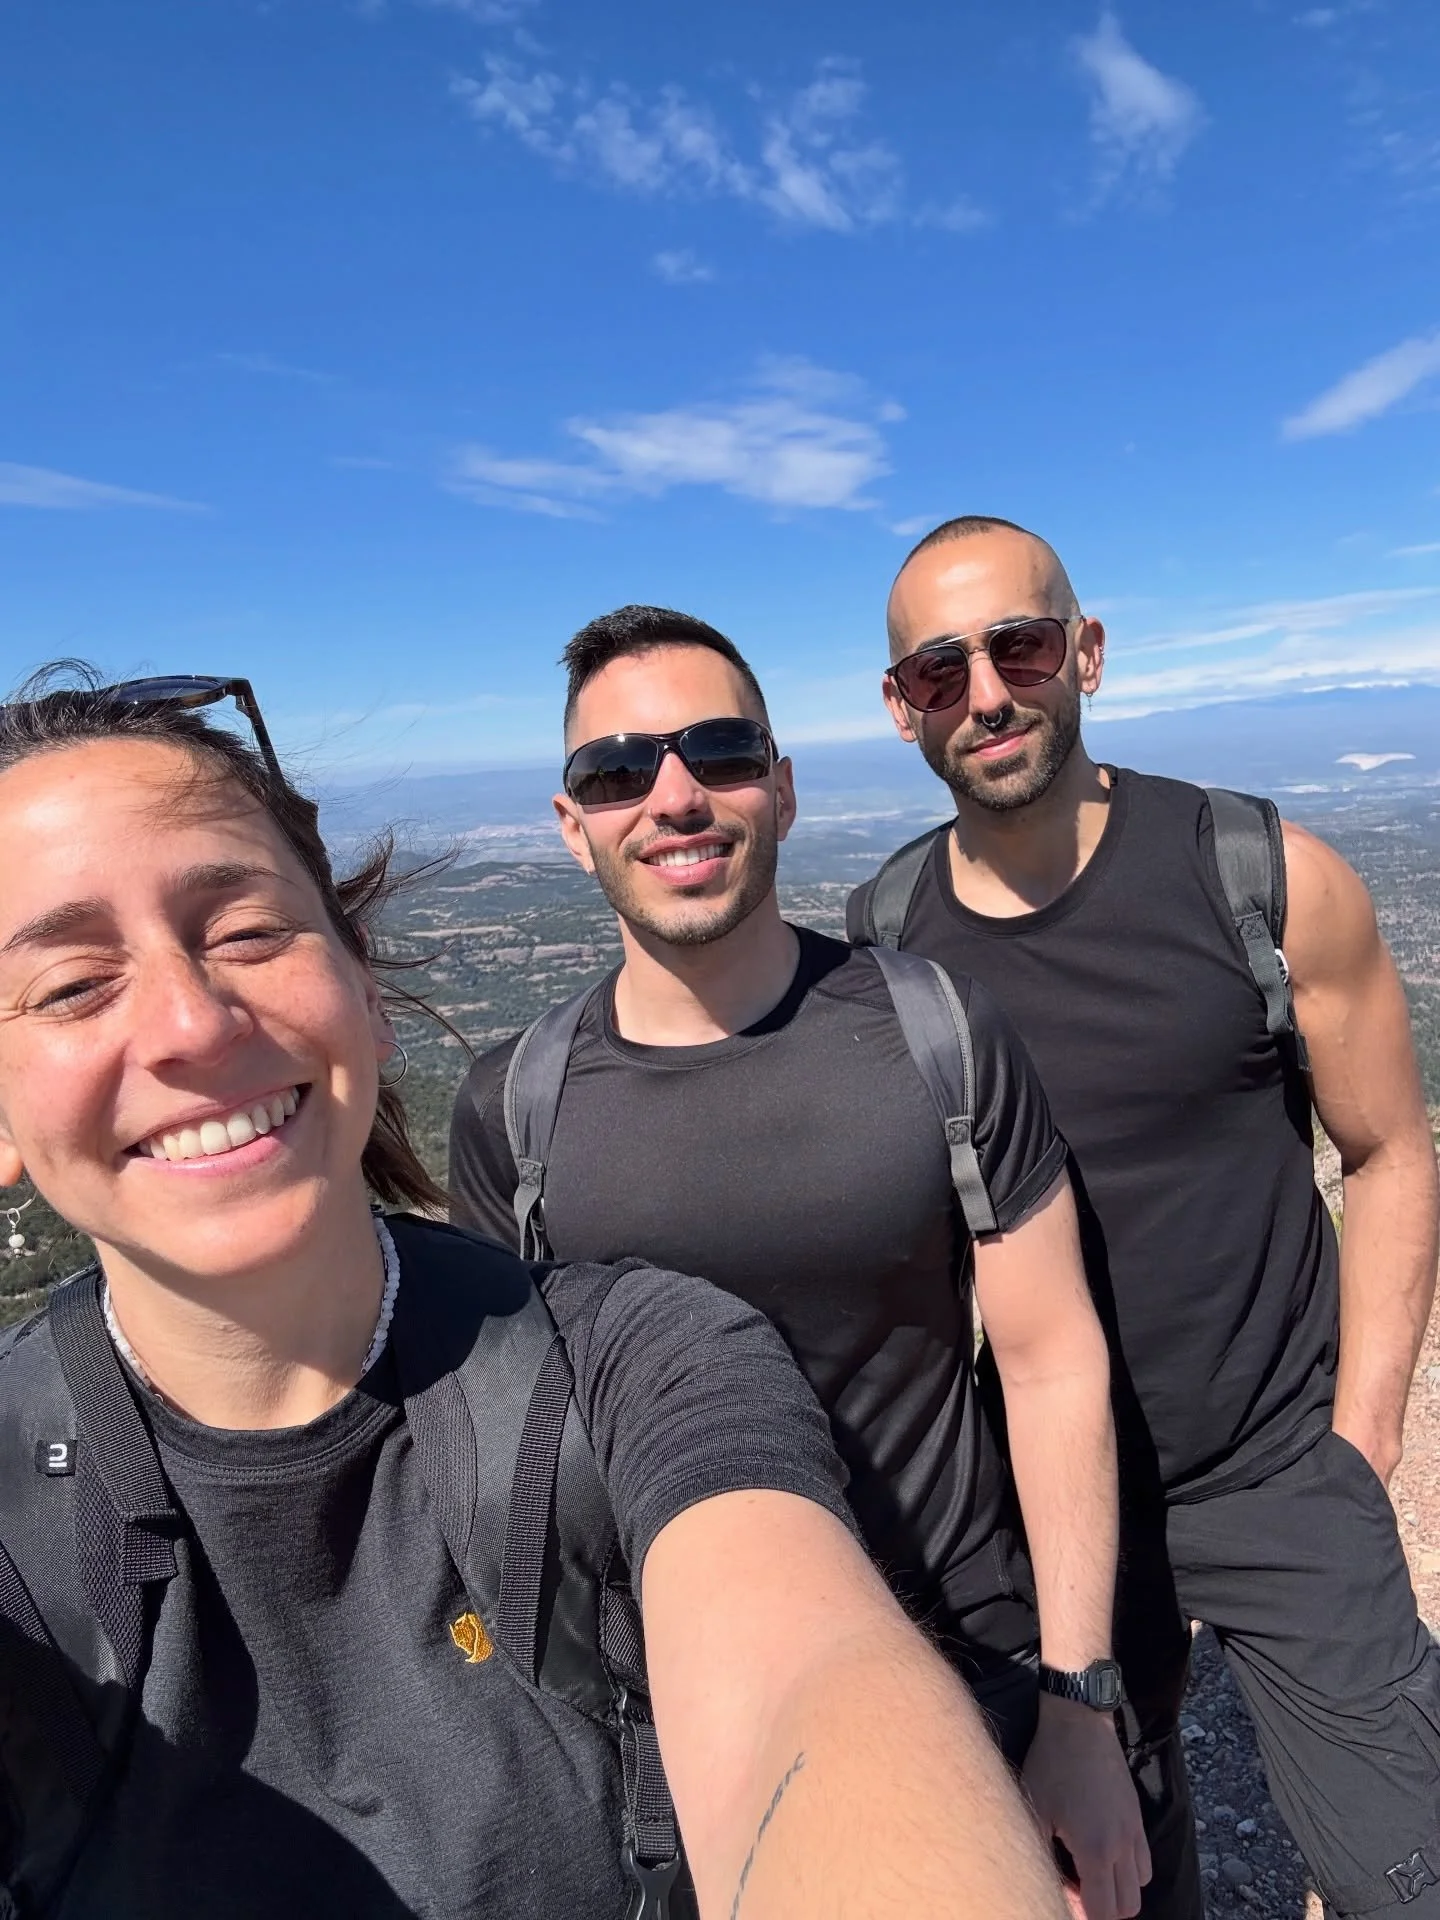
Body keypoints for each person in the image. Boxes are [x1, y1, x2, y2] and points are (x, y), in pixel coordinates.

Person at [0, 666, 1073, 1920]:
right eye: (71, 985)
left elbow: (808, 1682)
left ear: (360, 979)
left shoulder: (642, 1363)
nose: (189, 1020)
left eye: (245, 931)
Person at [449, 605, 1151, 1920]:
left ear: (778, 787)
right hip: (661, 1728)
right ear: (572, 822)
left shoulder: (937, 1031)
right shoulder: (514, 1110)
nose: (672, 797)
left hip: (973, 1661)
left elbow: (1054, 1360)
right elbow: (502, 1450)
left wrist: (1081, 1705)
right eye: (618, 771)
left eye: (717, 754)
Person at [852, 514, 1440, 1920]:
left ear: (1087, 654)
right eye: (941, 671)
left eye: (1022, 644)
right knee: (1108, 1887)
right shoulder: (888, 953)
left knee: (1406, 1875)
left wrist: (1362, 1437)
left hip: (1282, 1460)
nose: (987, 692)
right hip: (1047, 1510)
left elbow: (1391, 1149)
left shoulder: (1262, 875)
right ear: (901, 708)